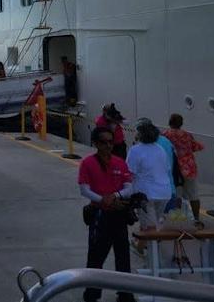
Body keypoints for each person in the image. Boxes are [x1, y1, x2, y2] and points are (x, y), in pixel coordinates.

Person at [78, 127, 134, 302]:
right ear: (95, 143)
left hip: (118, 214)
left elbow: (129, 187)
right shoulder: (87, 163)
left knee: (123, 257)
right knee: (95, 257)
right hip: (99, 215)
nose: (108, 146)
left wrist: (115, 196)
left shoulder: (120, 162)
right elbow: (84, 189)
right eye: (104, 142)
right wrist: (103, 200)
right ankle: (92, 294)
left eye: (111, 142)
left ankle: (125, 294)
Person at [126, 118, 173, 233]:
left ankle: (146, 248)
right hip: (165, 192)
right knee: (156, 223)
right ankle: (145, 245)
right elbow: (167, 168)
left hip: (146, 194)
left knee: (148, 227)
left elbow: (129, 172)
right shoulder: (160, 149)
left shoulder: (135, 150)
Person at [163, 113, 204, 224]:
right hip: (189, 167)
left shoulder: (165, 134)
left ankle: (178, 219)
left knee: (177, 194)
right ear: (181, 123)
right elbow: (198, 147)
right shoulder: (187, 135)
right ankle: (196, 219)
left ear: (170, 122)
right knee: (193, 194)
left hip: (175, 167)